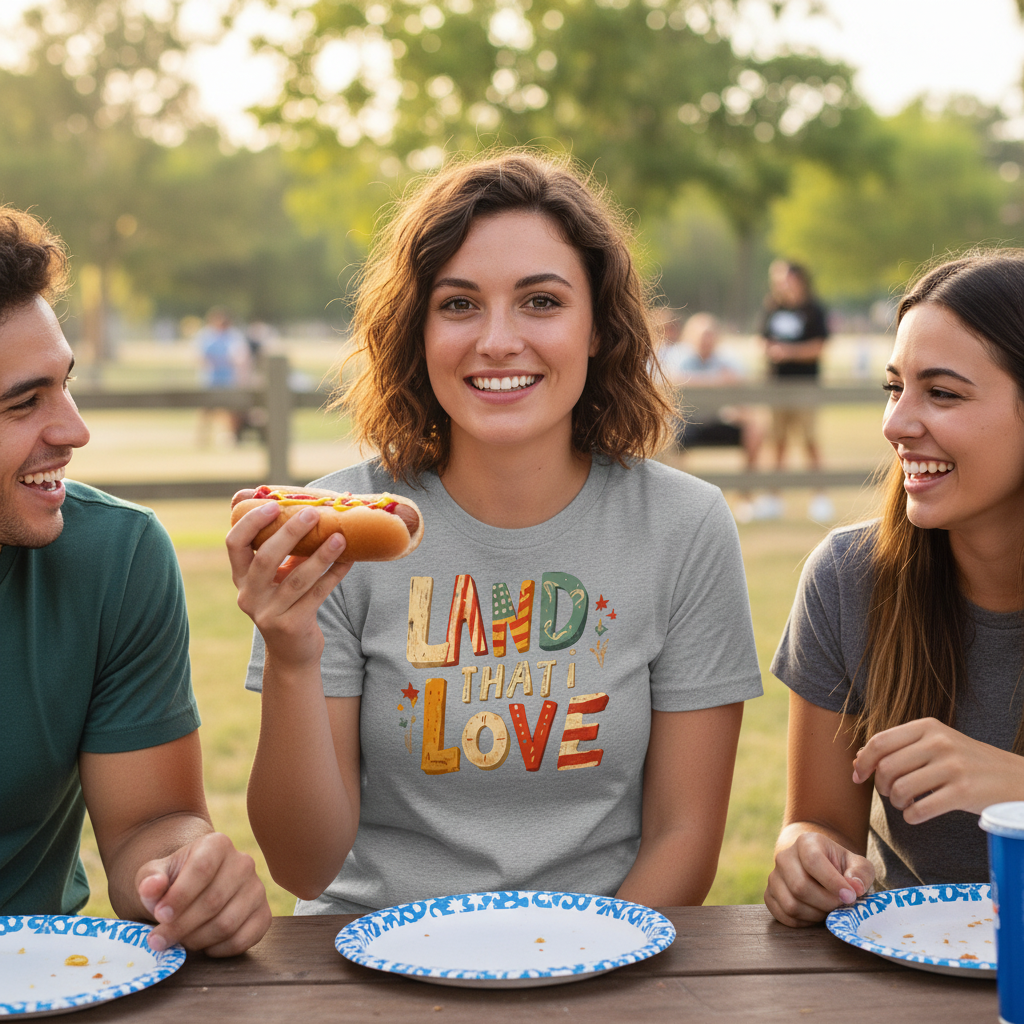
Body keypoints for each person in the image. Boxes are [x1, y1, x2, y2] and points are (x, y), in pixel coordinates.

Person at [228, 151, 763, 915]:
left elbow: (682, 838)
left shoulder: (684, 526)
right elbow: (303, 867)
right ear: (416, 331)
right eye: (459, 304)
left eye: (541, 302)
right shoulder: (340, 532)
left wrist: (581, 964)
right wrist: (290, 655)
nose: (498, 340)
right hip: (374, 963)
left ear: (599, 330)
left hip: (600, 962)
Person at [0, 205, 271, 954]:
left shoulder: (115, 559)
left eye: (64, 385)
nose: (74, 430)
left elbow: (148, 827)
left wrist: (183, 876)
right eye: (24, 403)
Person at [764, 250, 1024, 928]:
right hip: (903, 976)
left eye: (942, 393)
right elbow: (819, 825)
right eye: (894, 387)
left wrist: (1013, 788)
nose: (896, 423)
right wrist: (809, 859)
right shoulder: (846, 582)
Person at [758, 261, 832, 523]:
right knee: (777, 441)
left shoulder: (814, 310)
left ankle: (820, 497)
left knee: (809, 440)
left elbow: (819, 346)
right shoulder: (772, 307)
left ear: (798, 279)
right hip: (776, 385)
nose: (779, 284)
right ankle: (773, 498)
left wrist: (789, 352)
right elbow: (763, 339)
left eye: (784, 278)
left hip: (805, 386)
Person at [661, 312, 764, 475]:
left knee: (755, 427)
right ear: (690, 336)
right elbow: (669, 381)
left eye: (710, 335)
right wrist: (716, 380)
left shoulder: (727, 359)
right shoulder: (678, 357)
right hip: (687, 422)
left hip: (719, 418)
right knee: (665, 433)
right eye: (702, 335)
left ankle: (746, 490)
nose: (706, 340)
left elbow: (741, 384)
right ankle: (679, 489)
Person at [195, 307, 252, 446]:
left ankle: (232, 438)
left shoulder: (234, 336)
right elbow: (201, 358)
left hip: (229, 380)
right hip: (211, 380)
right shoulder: (207, 336)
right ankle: (202, 439)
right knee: (206, 411)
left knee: (233, 411)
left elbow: (241, 357)